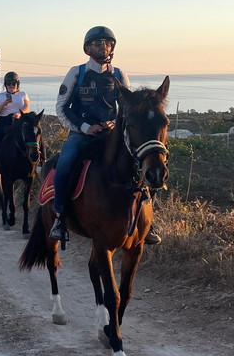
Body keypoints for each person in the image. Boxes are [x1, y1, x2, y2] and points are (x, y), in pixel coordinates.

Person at [51, 26, 161, 244]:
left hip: (111, 133)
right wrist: (84, 127)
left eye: (107, 43)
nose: (103, 46)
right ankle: (59, 217)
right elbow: (62, 107)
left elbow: (128, 109)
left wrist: (112, 123)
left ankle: (147, 221)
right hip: (82, 133)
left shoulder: (120, 75)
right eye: (98, 42)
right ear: (88, 48)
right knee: (63, 165)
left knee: (144, 163)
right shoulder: (77, 73)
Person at [0, 72, 31, 170]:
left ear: (17, 84)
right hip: (5, 120)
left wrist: (20, 113)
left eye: (13, 84)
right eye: (8, 84)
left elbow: (27, 106)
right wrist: (4, 103)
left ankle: (41, 157)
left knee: (33, 133)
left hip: (19, 119)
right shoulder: (0, 96)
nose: (11, 86)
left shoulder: (23, 94)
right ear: (5, 85)